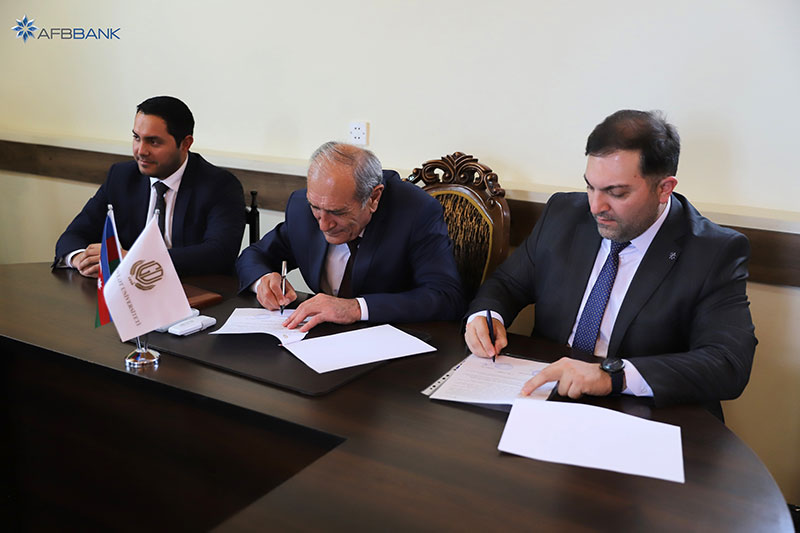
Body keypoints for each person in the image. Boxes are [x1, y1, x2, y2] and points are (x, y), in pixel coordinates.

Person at [465, 110, 756, 419]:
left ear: (664, 188)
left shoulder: (713, 251)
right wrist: (485, 316)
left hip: (641, 415)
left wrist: (613, 376)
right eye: (590, 187)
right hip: (547, 398)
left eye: (616, 193)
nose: (595, 206)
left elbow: (728, 363)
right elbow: (508, 284)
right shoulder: (563, 214)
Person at [236, 141, 465, 331]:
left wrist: (355, 308)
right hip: (318, 341)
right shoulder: (301, 207)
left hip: (394, 344)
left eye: (337, 212)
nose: (324, 224)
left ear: (373, 198)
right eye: (316, 208)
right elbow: (253, 255)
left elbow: (445, 297)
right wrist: (263, 281)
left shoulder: (416, 212)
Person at [53, 96, 245, 277]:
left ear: (185, 144)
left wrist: (136, 260)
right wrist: (80, 259)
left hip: (193, 290)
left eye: (153, 142)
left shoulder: (220, 185)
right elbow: (74, 234)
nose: (141, 151)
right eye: (137, 138)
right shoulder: (121, 177)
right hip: (129, 290)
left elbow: (220, 253)